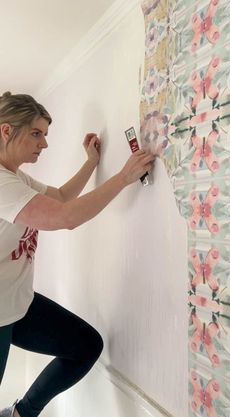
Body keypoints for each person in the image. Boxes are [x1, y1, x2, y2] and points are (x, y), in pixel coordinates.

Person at [0, 92, 155, 417]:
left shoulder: (15, 177)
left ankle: (20, 413)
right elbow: (64, 218)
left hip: (17, 304)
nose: (44, 144)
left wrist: (91, 163)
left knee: (84, 346)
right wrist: (124, 177)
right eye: (36, 133)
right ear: (5, 131)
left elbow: (60, 198)